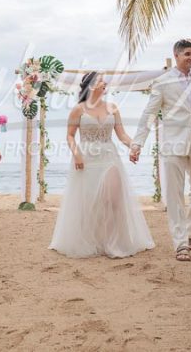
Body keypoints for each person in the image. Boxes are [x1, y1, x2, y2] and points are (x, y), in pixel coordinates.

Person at [130, 39, 191, 262]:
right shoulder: (162, 83)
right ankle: (180, 242)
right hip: (173, 144)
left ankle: (190, 233)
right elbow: (149, 114)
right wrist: (137, 143)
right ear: (177, 55)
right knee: (174, 195)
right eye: (187, 54)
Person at [50, 72, 155, 258]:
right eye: (100, 80)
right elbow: (70, 135)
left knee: (113, 200)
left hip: (109, 157)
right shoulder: (78, 109)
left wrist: (134, 146)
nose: (104, 83)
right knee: (91, 203)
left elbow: (121, 134)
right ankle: (94, 240)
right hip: (87, 159)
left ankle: (112, 243)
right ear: (90, 86)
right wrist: (77, 155)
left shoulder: (113, 107)